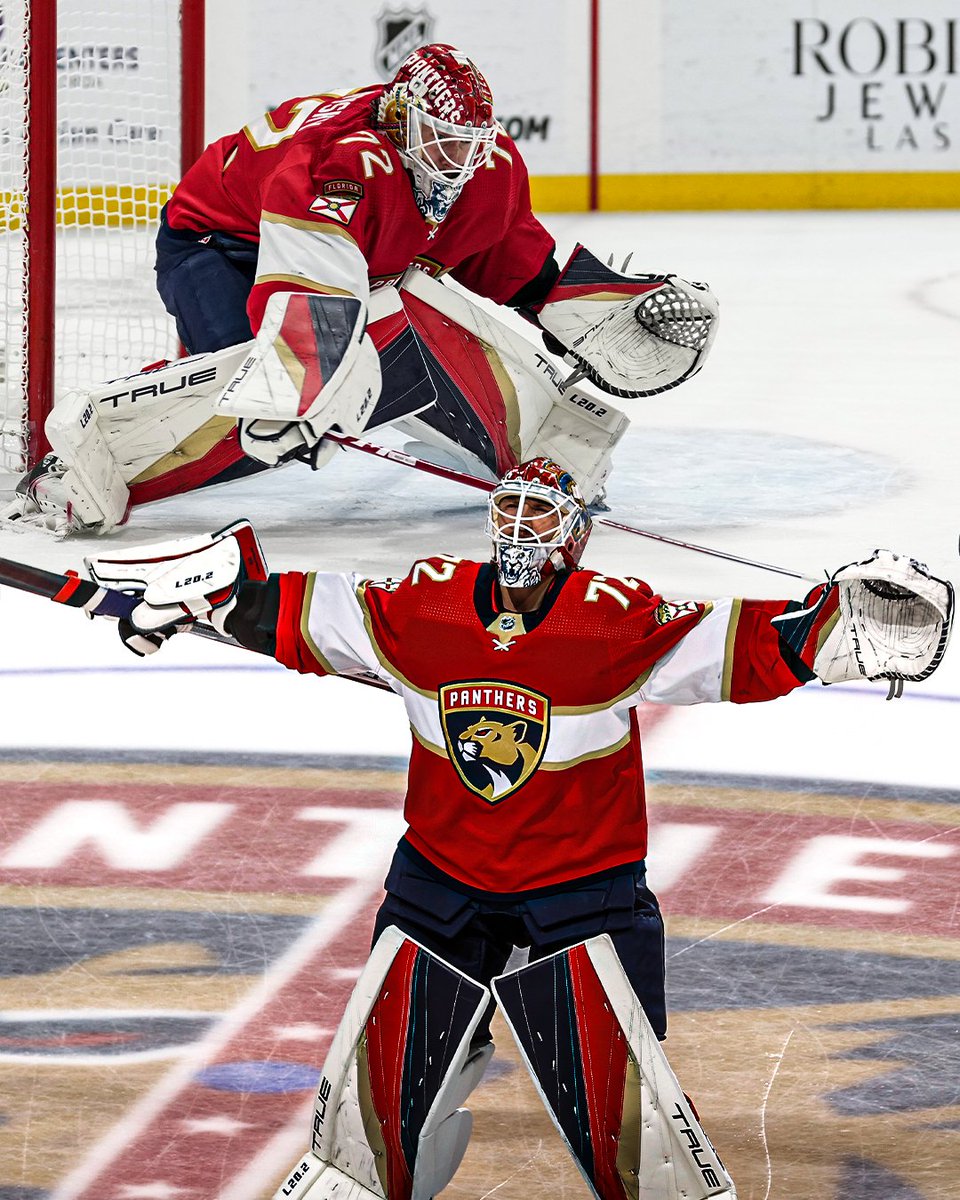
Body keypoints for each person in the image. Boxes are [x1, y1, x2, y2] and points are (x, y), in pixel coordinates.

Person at [83, 457, 952, 1200]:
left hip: (581, 893)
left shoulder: (609, 619)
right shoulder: (429, 603)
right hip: (440, 883)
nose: (522, 526)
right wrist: (190, 600)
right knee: (367, 1127)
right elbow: (306, 614)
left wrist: (834, 628)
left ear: (574, 535)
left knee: (629, 1128)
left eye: (541, 511)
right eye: (510, 506)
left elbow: (742, 645)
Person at [4, 43, 717, 536]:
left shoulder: (488, 163)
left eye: (471, 142)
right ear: (402, 117)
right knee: (247, 398)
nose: (460, 160)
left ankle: (529, 447)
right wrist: (301, 391)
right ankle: (82, 466)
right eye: (442, 140)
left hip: (356, 265)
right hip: (222, 247)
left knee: (367, 340)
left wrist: (590, 314)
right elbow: (310, 293)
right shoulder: (334, 163)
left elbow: (512, 265)